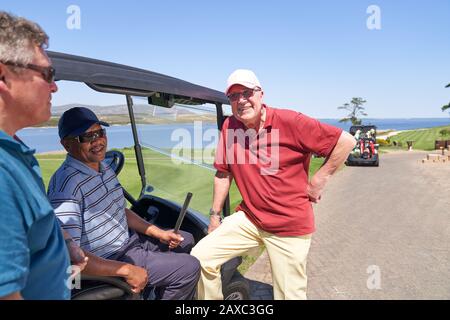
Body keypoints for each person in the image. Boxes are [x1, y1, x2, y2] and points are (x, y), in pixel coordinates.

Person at [191, 69, 356, 300]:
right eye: (234, 96)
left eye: (247, 93)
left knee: (290, 295)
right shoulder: (231, 126)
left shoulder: (291, 121)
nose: (241, 101)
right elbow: (223, 172)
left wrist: (320, 179)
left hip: (289, 225)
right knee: (200, 258)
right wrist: (214, 217)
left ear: (260, 94)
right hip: (250, 218)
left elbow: (346, 141)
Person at [47, 107, 201, 299]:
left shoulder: (103, 167)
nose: (97, 141)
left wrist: (159, 232)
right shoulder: (67, 188)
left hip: (128, 241)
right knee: (189, 267)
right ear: (67, 145)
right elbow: (72, 256)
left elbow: (119, 210)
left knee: (185, 239)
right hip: (110, 258)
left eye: (99, 132)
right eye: (86, 137)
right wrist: (127, 270)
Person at [0, 11, 86, 300]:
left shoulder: (14, 149)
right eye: (47, 74)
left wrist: (65, 243)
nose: (54, 86)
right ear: (3, 75)